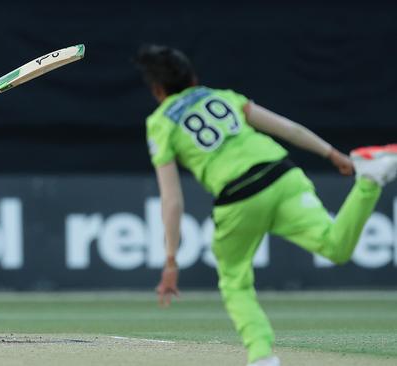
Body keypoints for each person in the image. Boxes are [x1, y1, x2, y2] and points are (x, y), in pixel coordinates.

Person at [134, 44, 397, 366]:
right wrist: (334, 155)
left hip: (238, 197)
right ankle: (369, 181)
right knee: (335, 247)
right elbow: (288, 128)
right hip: (281, 174)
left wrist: (171, 260)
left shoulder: (160, 123)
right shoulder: (223, 96)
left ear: (158, 90)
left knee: (234, 280)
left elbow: (172, 200)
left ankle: (261, 355)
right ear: (193, 78)